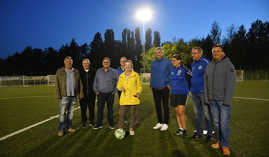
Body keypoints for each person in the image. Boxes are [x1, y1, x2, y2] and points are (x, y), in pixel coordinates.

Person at [204, 45, 236, 156]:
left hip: (223, 101)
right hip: (212, 100)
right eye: (214, 51)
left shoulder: (228, 65)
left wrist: (227, 100)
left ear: (222, 53)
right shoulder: (209, 66)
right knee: (216, 123)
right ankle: (219, 141)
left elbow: (231, 84)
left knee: (223, 124)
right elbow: (205, 83)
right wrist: (207, 98)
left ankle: (225, 145)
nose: (216, 53)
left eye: (218, 51)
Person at [56, 56, 83, 137]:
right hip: (64, 96)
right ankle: (60, 129)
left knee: (71, 113)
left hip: (73, 96)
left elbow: (80, 83)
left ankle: (69, 127)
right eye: (67, 61)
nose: (69, 63)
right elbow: (57, 84)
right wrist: (58, 94)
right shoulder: (60, 71)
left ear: (72, 62)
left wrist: (80, 93)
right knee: (62, 113)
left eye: (70, 61)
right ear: (64, 62)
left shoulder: (76, 71)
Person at [190, 47, 213, 142]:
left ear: (200, 53)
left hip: (203, 92)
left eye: (195, 53)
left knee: (207, 114)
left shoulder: (205, 62)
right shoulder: (193, 64)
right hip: (194, 92)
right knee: (197, 114)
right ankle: (199, 133)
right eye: (192, 53)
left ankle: (209, 134)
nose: (193, 55)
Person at [116, 60, 142, 136]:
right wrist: (121, 88)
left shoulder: (136, 75)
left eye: (129, 66)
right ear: (124, 67)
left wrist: (138, 92)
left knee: (132, 115)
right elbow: (118, 86)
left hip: (133, 98)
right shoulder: (121, 76)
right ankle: (121, 129)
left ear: (131, 66)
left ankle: (131, 128)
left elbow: (139, 86)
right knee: (121, 115)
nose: (127, 67)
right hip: (124, 98)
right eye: (126, 66)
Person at [169, 54, 191, 138]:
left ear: (179, 61)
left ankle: (184, 130)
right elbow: (170, 81)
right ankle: (180, 129)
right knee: (177, 112)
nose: (172, 62)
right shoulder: (172, 69)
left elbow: (191, 78)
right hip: (173, 93)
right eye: (172, 60)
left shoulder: (184, 69)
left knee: (181, 112)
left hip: (182, 93)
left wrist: (189, 89)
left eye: (174, 60)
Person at [93, 57, 118, 130]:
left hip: (110, 94)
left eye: (107, 62)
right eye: (104, 62)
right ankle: (99, 123)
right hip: (100, 94)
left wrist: (115, 91)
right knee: (100, 109)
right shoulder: (98, 71)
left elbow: (118, 82)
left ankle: (111, 124)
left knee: (110, 110)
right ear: (102, 63)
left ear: (109, 63)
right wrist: (96, 90)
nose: (106, 63)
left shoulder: (114, 71)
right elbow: (95, 82)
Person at [151, 47, 171, 131]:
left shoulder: (167, 62)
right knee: (157, 105)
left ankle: (166, 123)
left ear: (162, 53)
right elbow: (152, 74)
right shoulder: (153, 63)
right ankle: (160, 122)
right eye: (156, 53)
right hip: (155, 87)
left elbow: (171, 73)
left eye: (159, 52)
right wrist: (151, 83)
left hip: (164, 87)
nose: (158, 54)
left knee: (165, 105)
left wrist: (169, 84)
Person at [79, 58, 96, 127]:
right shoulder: (79, 72)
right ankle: (84, 121)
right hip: (82, 94)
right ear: (82, 64)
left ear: (89, 64)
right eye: (84, 63)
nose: (86, 65)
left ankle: (91, 121)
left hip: (92, 94)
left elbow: (96, 81)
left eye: (87, 63)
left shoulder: (93, 71)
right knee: (83, 109)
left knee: (91, 108)